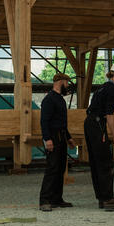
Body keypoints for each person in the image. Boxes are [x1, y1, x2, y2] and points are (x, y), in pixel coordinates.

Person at [83, 62, 114, 211]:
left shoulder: (102, 87)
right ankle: (108, 199)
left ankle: (102, 198)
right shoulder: (112, 90)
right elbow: (109, 115)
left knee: (96, 163)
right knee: (105, 161)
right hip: (98, 124)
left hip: (90, 123)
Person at [39, 73, 77, 211]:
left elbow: (62, 123)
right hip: (53, 137)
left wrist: (69, 138)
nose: (67, 86)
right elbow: (44, 121)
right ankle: (44, 200)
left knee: (60, 168)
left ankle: (56, 199)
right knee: (52, 168)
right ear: (61, 81)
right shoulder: (49, 100)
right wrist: (47, 139)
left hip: (61, 136)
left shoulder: (60, 99)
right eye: (67, 83)